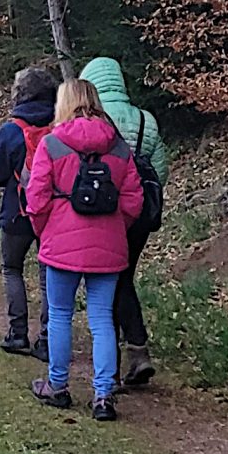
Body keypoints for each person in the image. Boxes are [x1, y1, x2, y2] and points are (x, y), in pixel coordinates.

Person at [26, 79, 143, 422]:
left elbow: (36, 199)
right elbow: (134, 199)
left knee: (60, 314)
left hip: (61, 243)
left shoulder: (52, 143)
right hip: (108, 245)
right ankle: (103, 396)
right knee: (102, 319)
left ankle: (58, 386)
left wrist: (46, 230)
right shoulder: (119, 147)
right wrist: (114, 228)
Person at [80, 57, 169, 387]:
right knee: (124, 277)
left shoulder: (95, 120)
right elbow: (160, 168)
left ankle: (122, 356)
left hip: (106, 211)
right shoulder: (145, 119)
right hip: (140, 213)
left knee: (110, 281)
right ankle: (135, 350)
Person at [0, 67, 58, 359]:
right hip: (52, 212)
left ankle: (17, 333)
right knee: (47, 276)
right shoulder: (60, 125)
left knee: (12, 269)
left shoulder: (11, 129)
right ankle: (47, 338)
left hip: (16, 211)